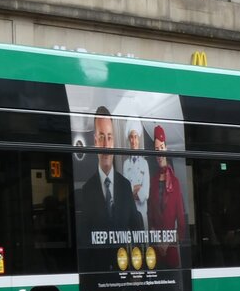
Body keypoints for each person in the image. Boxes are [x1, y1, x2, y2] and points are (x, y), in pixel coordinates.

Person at [77, 106, 142, 270]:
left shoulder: (125, 186)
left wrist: (138, 270)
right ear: (95, 141)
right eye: (101, 137)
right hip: (99, 279)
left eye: (110, 137)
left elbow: (137, 230)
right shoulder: (86, 190)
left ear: (114, 141)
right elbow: (84, 242)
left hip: (125, 278)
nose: (106, 144)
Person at [148, 125, 186, 268]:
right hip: (155, 254)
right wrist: (158, 241)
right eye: (156, 150)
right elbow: (151, 218)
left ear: (166, 148)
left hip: (171, 252)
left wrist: (167, 242)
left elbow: (181, 223)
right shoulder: (153, 181)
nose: (159, 154)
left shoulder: (175, 182)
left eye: (161, 148)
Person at [122, 121, 150, 231]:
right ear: (129, 140)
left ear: (138, 139)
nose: (133, 141)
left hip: (143, 215)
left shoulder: (144, 163)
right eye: (131, 138)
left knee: (144, 247)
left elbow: (146, 193)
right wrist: (137, 188)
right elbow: (126, 193)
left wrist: (133, 191)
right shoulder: (125, 164)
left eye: (135, 137)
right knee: (132, 246)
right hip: (130, 215)